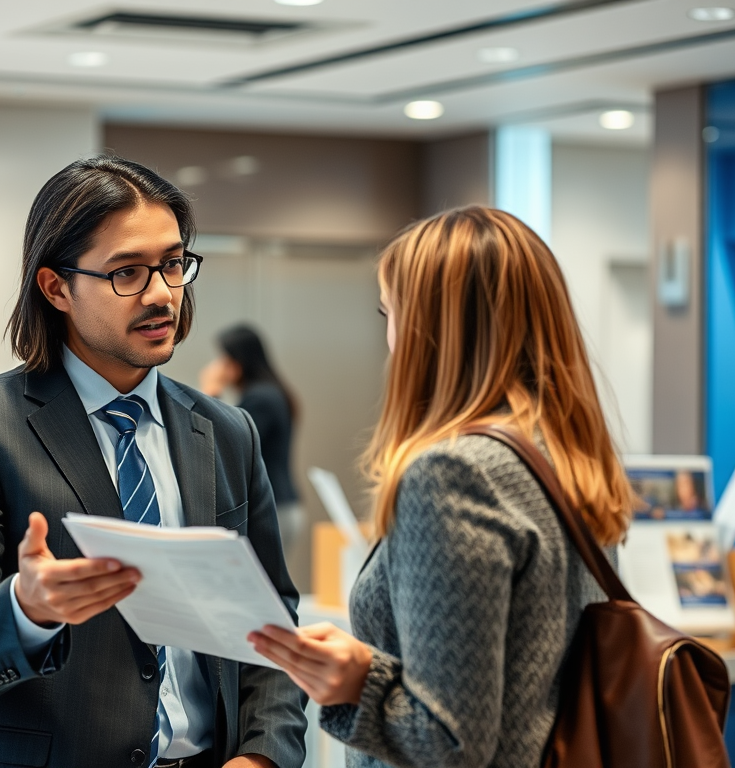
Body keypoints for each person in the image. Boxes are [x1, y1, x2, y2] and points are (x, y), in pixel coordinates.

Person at [0, 156, 306, 768]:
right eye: (127, 273)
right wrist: (25, 610)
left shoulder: (225, 431)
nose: (163, 293)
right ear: (57, 287)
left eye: (173, 264)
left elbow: (271, 624)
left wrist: (263, 756)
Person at [249, 206, 635, 768]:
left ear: (433, 328)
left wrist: (357, 680)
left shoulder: (453, 476)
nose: (389, 335)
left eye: (391, 311)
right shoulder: (567, 459)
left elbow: (448, 743)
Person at [199, 325, 304, 559]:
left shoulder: (261, 398)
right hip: (280, 506)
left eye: (225, 359)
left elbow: (227, 444)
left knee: (265, 587)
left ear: (239, 362)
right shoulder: (267, 393)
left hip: (275, 507)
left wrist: (211, 392)